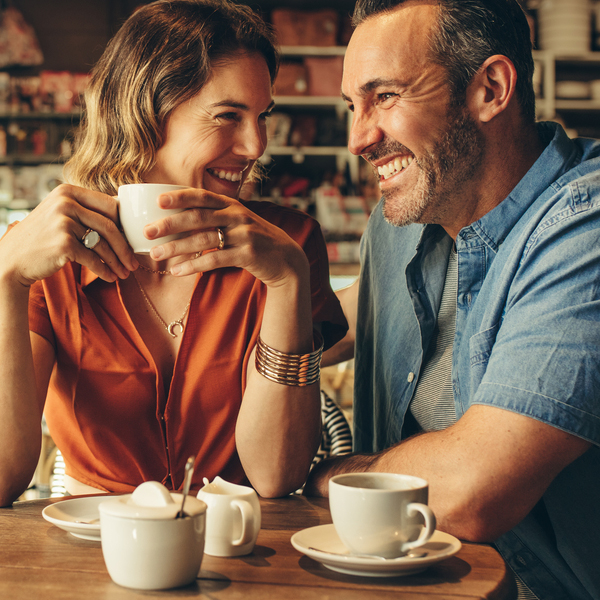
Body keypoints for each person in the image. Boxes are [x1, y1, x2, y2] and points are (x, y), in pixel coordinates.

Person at [305, 1, 600, 599]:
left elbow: (472, 488)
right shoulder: (404, 224)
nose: (359, 137)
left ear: (490, 88)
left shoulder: (583, 228)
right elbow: (343, 316)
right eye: (351, 106)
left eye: (384, 96)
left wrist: (331, 475)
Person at [0, 0, 347, 507]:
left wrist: (288, 280)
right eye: (228, 115)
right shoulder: (49, 254)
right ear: (145, 111)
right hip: (92, 557)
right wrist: (6, 278)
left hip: (242, 559)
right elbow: (4, 479)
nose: (256, 145)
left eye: (262, 116)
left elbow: (276, 475)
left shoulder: (287, 245)